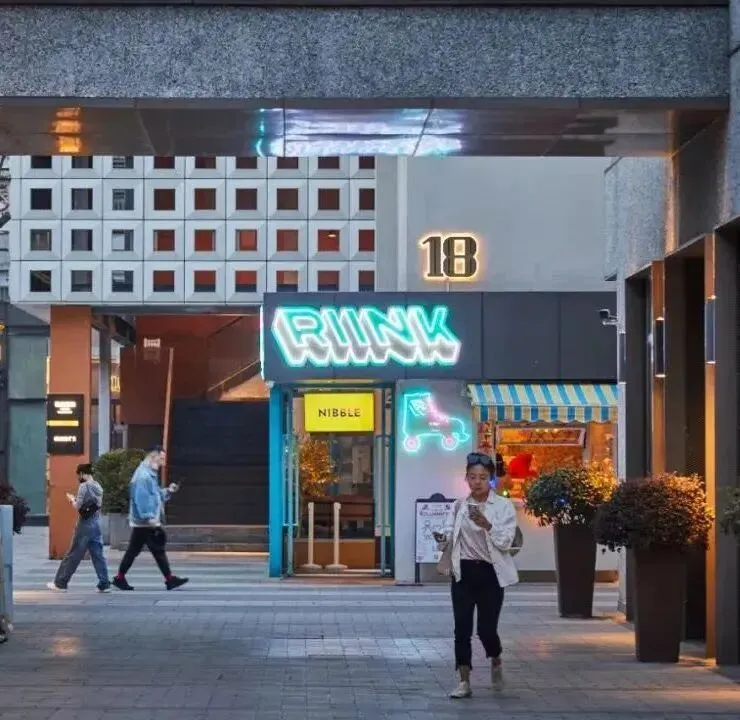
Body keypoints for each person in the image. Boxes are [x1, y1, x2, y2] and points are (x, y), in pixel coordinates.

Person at [434, 452, 519, 699]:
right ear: (467, 478)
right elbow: (449, 534)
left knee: (486, 630)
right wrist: (442, 539)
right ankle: (464, 681)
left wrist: (487, 525)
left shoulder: (503, 506)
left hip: (491, 574)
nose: (477, 482)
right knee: (461, 629)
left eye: (482, 477)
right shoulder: (459, 506)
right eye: (472, 477)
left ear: (490, 478)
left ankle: (496, 657)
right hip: (463, 572)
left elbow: (506, 542)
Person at [112, 446, 188, 591]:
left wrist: (168, 491)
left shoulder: (148, 475)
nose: (163, 462)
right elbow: (141, 500)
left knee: (136, 551)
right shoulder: (143, 476)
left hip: (143, 522)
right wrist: (149, 518)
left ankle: (120, 578)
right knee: (157, 550)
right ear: (153, 456)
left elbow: (155, 495)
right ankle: (169, 579)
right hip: (146, 522)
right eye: (161, 458)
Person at [47, 463, 110, 593]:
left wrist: (71, 499)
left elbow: (78, 506)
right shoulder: (98, 486)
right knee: (98, 555)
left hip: (84, 525)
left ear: (82, 474)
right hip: (96, 524)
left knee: (73, 554)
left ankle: (61, 583)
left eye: (79, 475)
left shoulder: (84, 486)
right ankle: (104, 583)